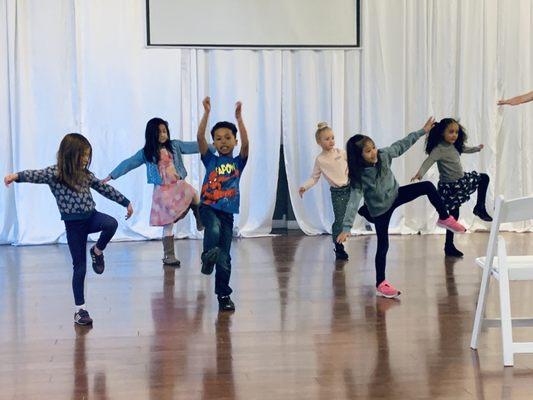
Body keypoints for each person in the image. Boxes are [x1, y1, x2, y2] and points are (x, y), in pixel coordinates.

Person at [4, 133, 133, 325]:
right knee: (79, 267)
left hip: (91, 217)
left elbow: (105, 189)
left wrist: (126, 202)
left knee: (111, 223)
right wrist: (16, 176)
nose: (86, 160)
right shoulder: (56, 174)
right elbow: (35, 175)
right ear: (70, 154)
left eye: (88, 156)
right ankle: (80, 310)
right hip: (74, 227)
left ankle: (97, 251)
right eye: (83, 155)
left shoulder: (86, 175)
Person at [337, 118, 466, 299]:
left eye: (373, 147)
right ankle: (381, 283)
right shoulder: (359, 176)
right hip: (380, 210)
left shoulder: (383, 155)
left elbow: (402, 144)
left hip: (395, 195)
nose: (373, 152)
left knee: (427, 186)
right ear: (359, 156)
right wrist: (346, 227)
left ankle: (444, 218)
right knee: (383, 246)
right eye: (367, 151)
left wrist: (423, 131)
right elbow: (353, 200)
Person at [103, 117, 203, 266]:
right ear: (152, 135)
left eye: (164, 131)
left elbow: (195, 146)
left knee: (194, 193)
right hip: (162, 193)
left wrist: (216, 147)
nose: (163, 134)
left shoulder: (175, 146)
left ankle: (199, 217)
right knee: (168, 224)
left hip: (177, 185)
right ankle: (168, 256)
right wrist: (112, 175)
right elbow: (129, 163)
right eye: (159, 132)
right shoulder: (147, 153)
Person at [197, 97, 249, 311]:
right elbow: (200, 136)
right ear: (214, 143)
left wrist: (239, 120)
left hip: (228, 213)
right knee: (214, 229)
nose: (224, 141)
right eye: (218, 138)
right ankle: (207, 256)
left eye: (228, 138)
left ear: (234, 142)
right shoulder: (210, 159)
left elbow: (246, 144)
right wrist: (206, 113)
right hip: (208, 207)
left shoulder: (239, 162)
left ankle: (223, 296)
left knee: (225, 258)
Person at [412, 118, 492, 257]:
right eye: (451, 132)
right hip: (450, 187)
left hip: (461, 181)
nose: (454, 135)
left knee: (484, 178)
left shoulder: (455, 145)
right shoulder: (439, 149)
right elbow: (428, 162)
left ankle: (480, 207)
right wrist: (419, 174)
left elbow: (466, 149)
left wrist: (477, 148)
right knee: (452, 217)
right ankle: (449, 246)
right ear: (442, 133)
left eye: (456, 132)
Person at [299, 122, 350, 260]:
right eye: (327, 139)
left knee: (351, 214)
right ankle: (338, 247)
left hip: (350, 187)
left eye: (332, 138)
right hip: (337, 193)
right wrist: (305, 187)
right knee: (339, 219)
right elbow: (314, 178)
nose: (331, 141)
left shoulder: (341, 152)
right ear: (319, 142)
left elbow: (352, 164)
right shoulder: (320, 160)